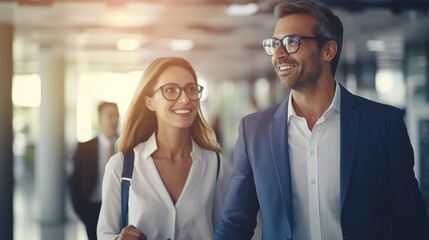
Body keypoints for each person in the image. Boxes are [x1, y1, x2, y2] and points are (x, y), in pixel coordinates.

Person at [214, 1, 429, 239]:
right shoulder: (254, 130)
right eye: (274, 44)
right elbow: (235, 223)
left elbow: (410, 222)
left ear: (328, 50)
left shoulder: (383, 124)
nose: (278, 54)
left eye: (291, 42)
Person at [97, 56, 230, 240]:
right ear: (149, 102)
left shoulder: (215, 165)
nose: (185, 98)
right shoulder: (121, 166)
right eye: (170, 90)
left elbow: (226, 231)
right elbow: (104, 234)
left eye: (191, 89)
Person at [70, 101, 120, 240]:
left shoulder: (126, 145)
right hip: (92, 207)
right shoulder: (84, 148)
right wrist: (81, 210)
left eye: (116, 115)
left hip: (119, 206)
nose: (115, 120)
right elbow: (75, 181)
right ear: (100, 119)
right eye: (110, 116)